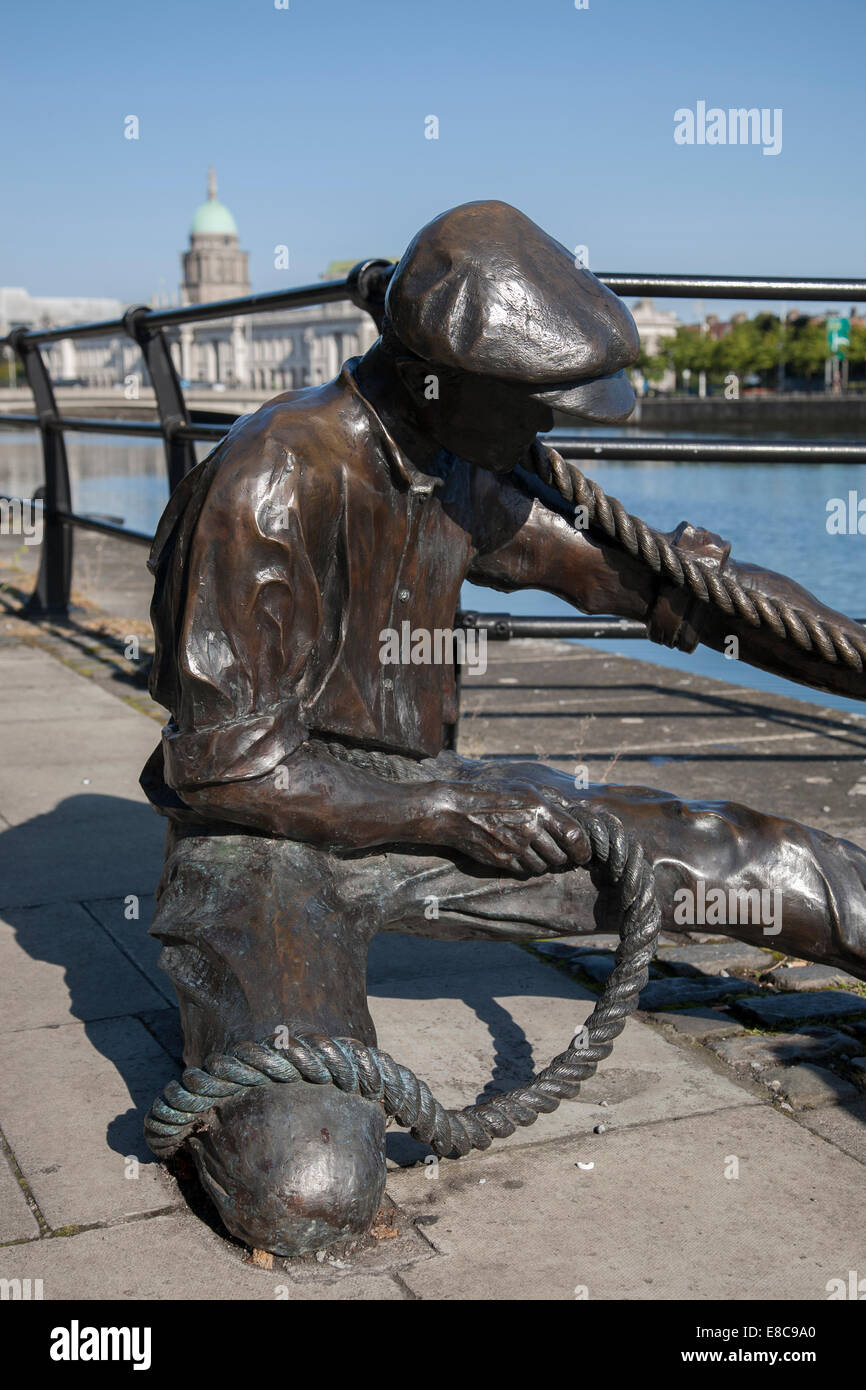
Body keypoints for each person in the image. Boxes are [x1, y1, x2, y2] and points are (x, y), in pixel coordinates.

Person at [141, 200, 866, 1255]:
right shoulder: (269, 483)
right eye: (533, 402)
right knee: (309, 1189)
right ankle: (237, 1009)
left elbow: (674, 593)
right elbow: (219, 774)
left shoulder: (463, 464)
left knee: (760, 860)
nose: (551, 428)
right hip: (266, 841)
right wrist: (442, 806)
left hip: (424, 811)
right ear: (447, 378)